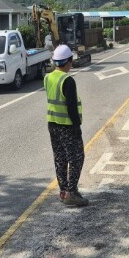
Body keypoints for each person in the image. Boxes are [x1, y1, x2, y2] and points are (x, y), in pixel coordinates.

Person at [44, 44, 88, 207]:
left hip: (53, 125)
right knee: (76, 158)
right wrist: (77, 127)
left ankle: (63, 191)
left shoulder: (48, 77)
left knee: (60, 158)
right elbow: (71, 107)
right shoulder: (67, 80)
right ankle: (71, 193)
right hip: (67, 126)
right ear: (69, 61)